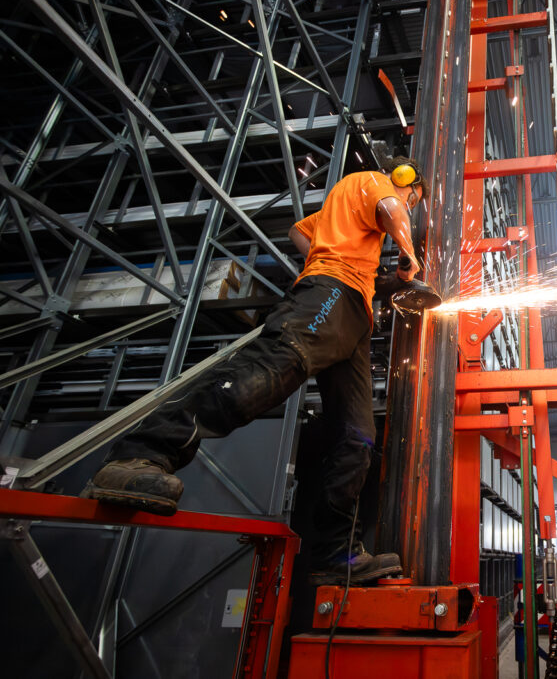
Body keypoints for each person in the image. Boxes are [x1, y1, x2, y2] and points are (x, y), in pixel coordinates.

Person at [82, 156, 427, 585]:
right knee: (278, 365)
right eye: (414, 198)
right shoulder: (375, 183)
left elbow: (299, 232)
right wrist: (408, 254)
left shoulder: (346, 211)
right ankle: (143, 454)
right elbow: (393, 211)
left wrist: (375, 275)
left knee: (355, 438)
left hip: (353, 309)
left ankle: (336, 554)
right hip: (331, 294)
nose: (409, 204)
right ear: (405, 180)